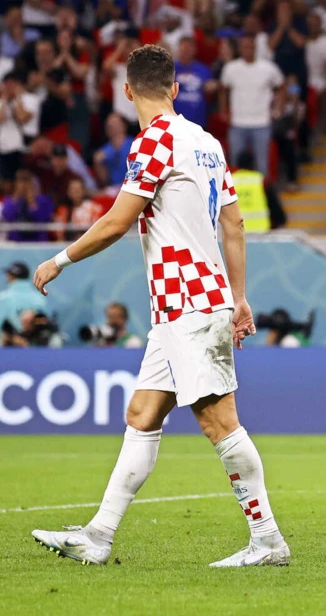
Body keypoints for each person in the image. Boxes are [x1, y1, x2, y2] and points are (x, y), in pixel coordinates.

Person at [31, 44, 290, 567]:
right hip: (192, 304)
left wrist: (60, 259)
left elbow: (116, 221)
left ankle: (267, 540)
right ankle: (97, 537)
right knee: (142, 414)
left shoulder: (152, 142)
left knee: (220, 423)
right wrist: (239, 298)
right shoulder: (208, 143)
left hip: (189, 305)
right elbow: (234, 225)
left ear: (128, 92)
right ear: (174, 89)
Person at [220, 35, 284, 176]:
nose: (247, 49)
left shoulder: (268, 68)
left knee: (262, 164)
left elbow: (281, 87)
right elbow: (223, 90)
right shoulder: (231, 68)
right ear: (239, 49)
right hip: (238, 123)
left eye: (250, 46)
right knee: (235, 163)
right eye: (244, 46)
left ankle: (264, 196)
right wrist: (223, 111)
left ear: (255, 47)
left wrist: (278, 108)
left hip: (262, 122)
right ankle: (235, 197)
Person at [230, 151, 271, 233]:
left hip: (236, 232)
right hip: (260, 231)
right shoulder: (260, 180)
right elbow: (272, 202)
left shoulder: (230, 180)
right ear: (253, 163)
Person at [0, 262, 47, 331]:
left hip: (10, 340)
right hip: (38, 340)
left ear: (11, 276)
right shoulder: (39, 297)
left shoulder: (3, 298)